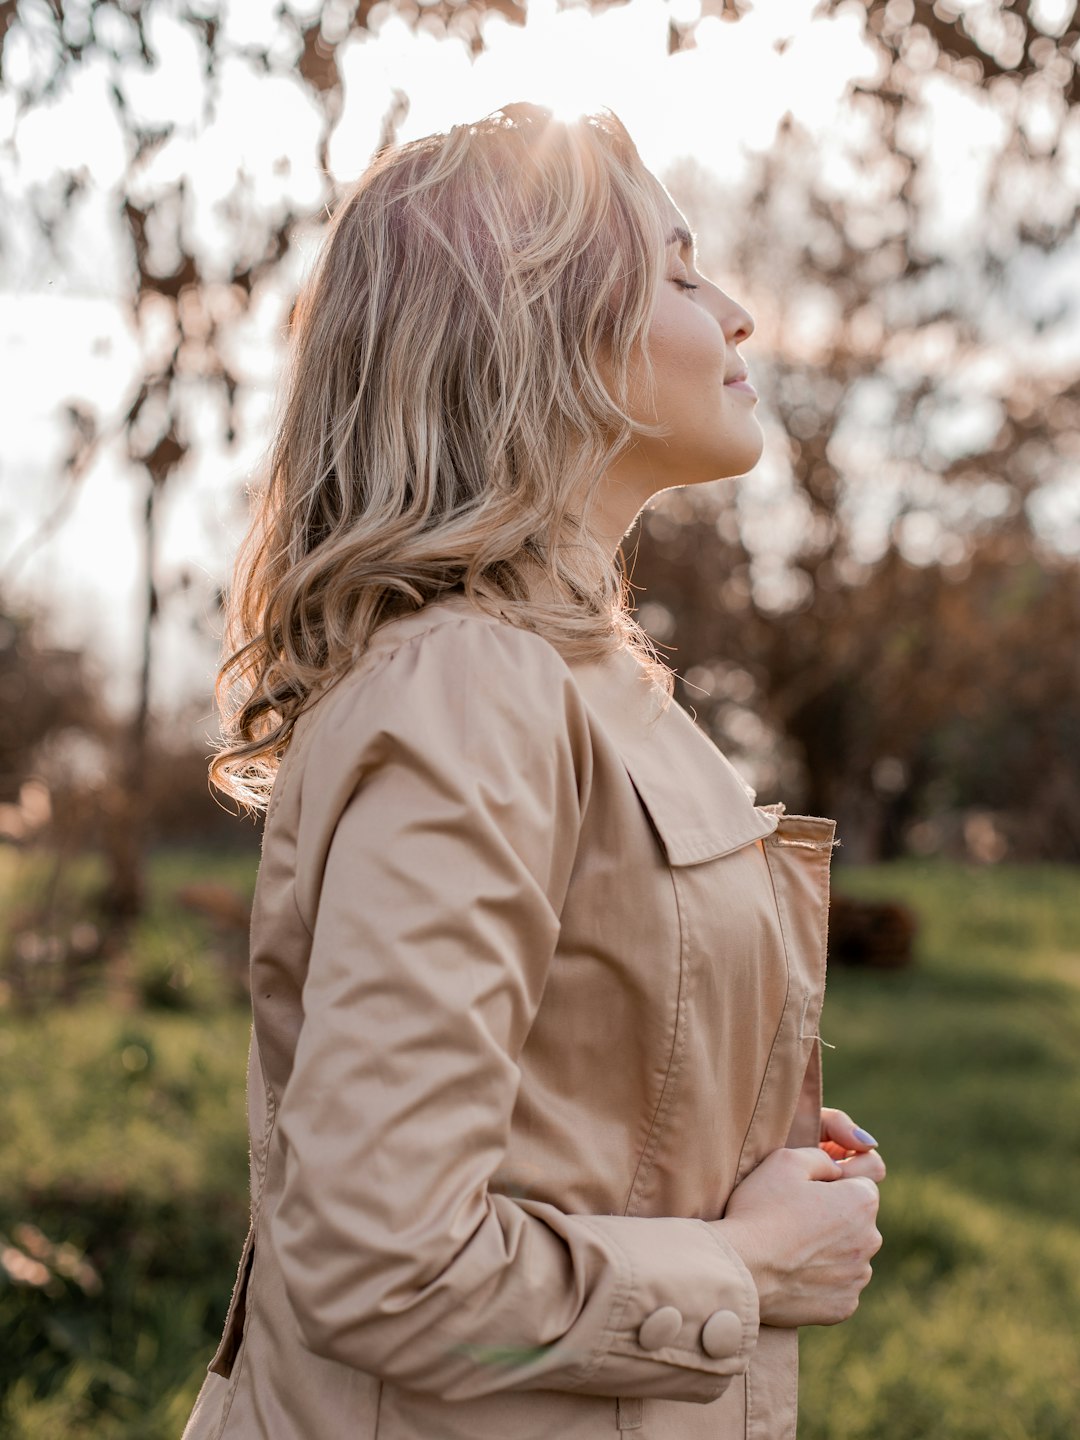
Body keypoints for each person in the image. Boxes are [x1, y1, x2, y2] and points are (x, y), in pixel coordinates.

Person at [181, 102, 884, 1440]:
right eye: (677, 271)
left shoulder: (587, 683)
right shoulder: (469, 686)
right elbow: (380, 1262)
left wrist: (739, 1159)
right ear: (533, 326)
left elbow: (566, 1080)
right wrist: (742, 1266)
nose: (734, 311)